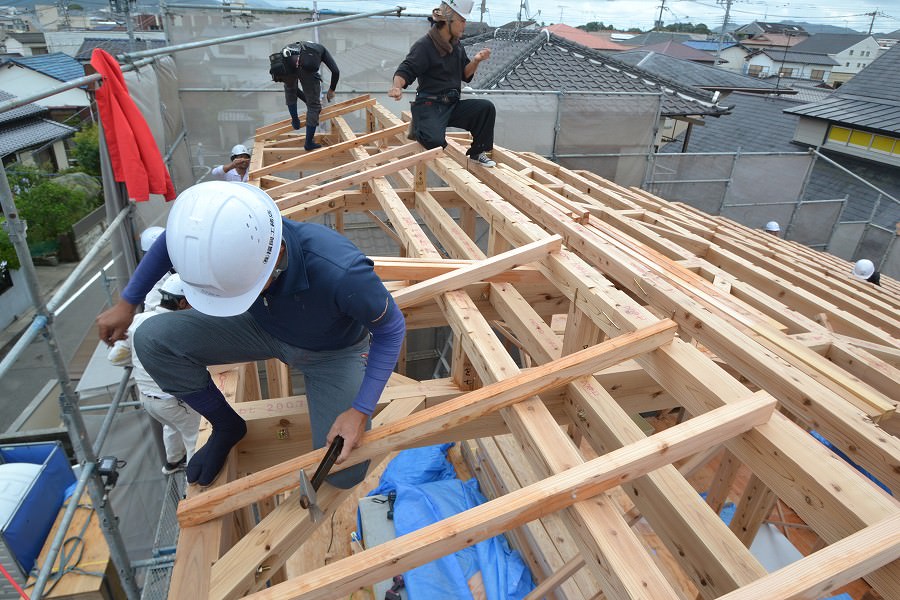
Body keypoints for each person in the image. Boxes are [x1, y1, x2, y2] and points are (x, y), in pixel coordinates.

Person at [96, 181, 406, 488]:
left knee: (344, 472)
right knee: (152, 340)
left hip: (331, 353)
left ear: (277, 254)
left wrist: (359, 412)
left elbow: (391, 329)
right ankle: (227, 425)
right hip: (261, 326)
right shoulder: (230, 236)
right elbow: (168, 243)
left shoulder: (341, 271)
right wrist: (128, 301)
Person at [107, 274, 201, 475]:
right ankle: (193, 485)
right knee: (197, 436)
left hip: (148, 400)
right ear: (183, 302)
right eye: (194, 302)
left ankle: (173, 462)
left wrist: (137, 358)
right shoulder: (178, 326)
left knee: (173, 426)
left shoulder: (139, 320)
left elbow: (114, 357)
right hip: (172, 400)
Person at [388, 0, 497, 167]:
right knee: (435, 143)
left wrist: (476, 61)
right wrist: (397, 87)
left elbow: (464, 74)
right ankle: (419, 126)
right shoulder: (425, 45)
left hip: (451, 105)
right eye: (462, 20)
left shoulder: (456, 45)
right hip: (430, 105)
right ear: (448, 21)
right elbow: (406, 70)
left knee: (485, 108)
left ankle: (477, 153)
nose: (464, 25)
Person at [281, 41, 340, 151]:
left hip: (287, 61)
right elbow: (335, 71)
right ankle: (308, 143)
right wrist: (331, 90)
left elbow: (294, 90)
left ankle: (295, 121)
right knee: (314, 107)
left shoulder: (295, 46)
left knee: (290, 89)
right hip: (306, 68)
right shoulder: (321, 49)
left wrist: (307, 101)